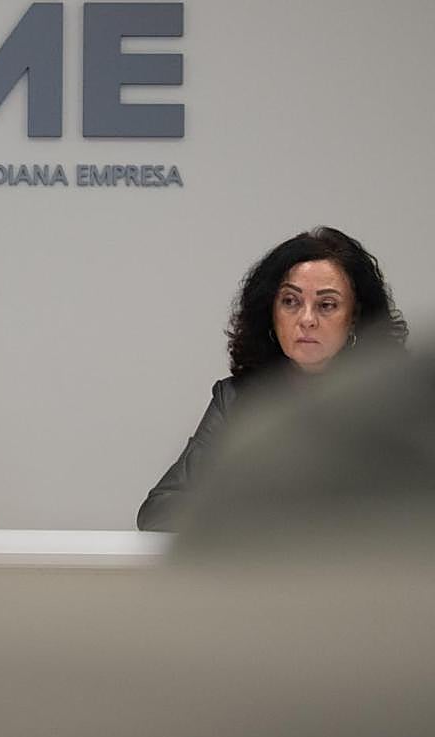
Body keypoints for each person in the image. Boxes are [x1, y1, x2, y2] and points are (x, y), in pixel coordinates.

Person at [137, 226, 408, 531]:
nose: (307, 319)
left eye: (326, 305)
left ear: (355, 318)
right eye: (291, 301)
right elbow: (160, 509)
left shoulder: (392, 403)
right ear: (271, 312)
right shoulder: (236, 399)